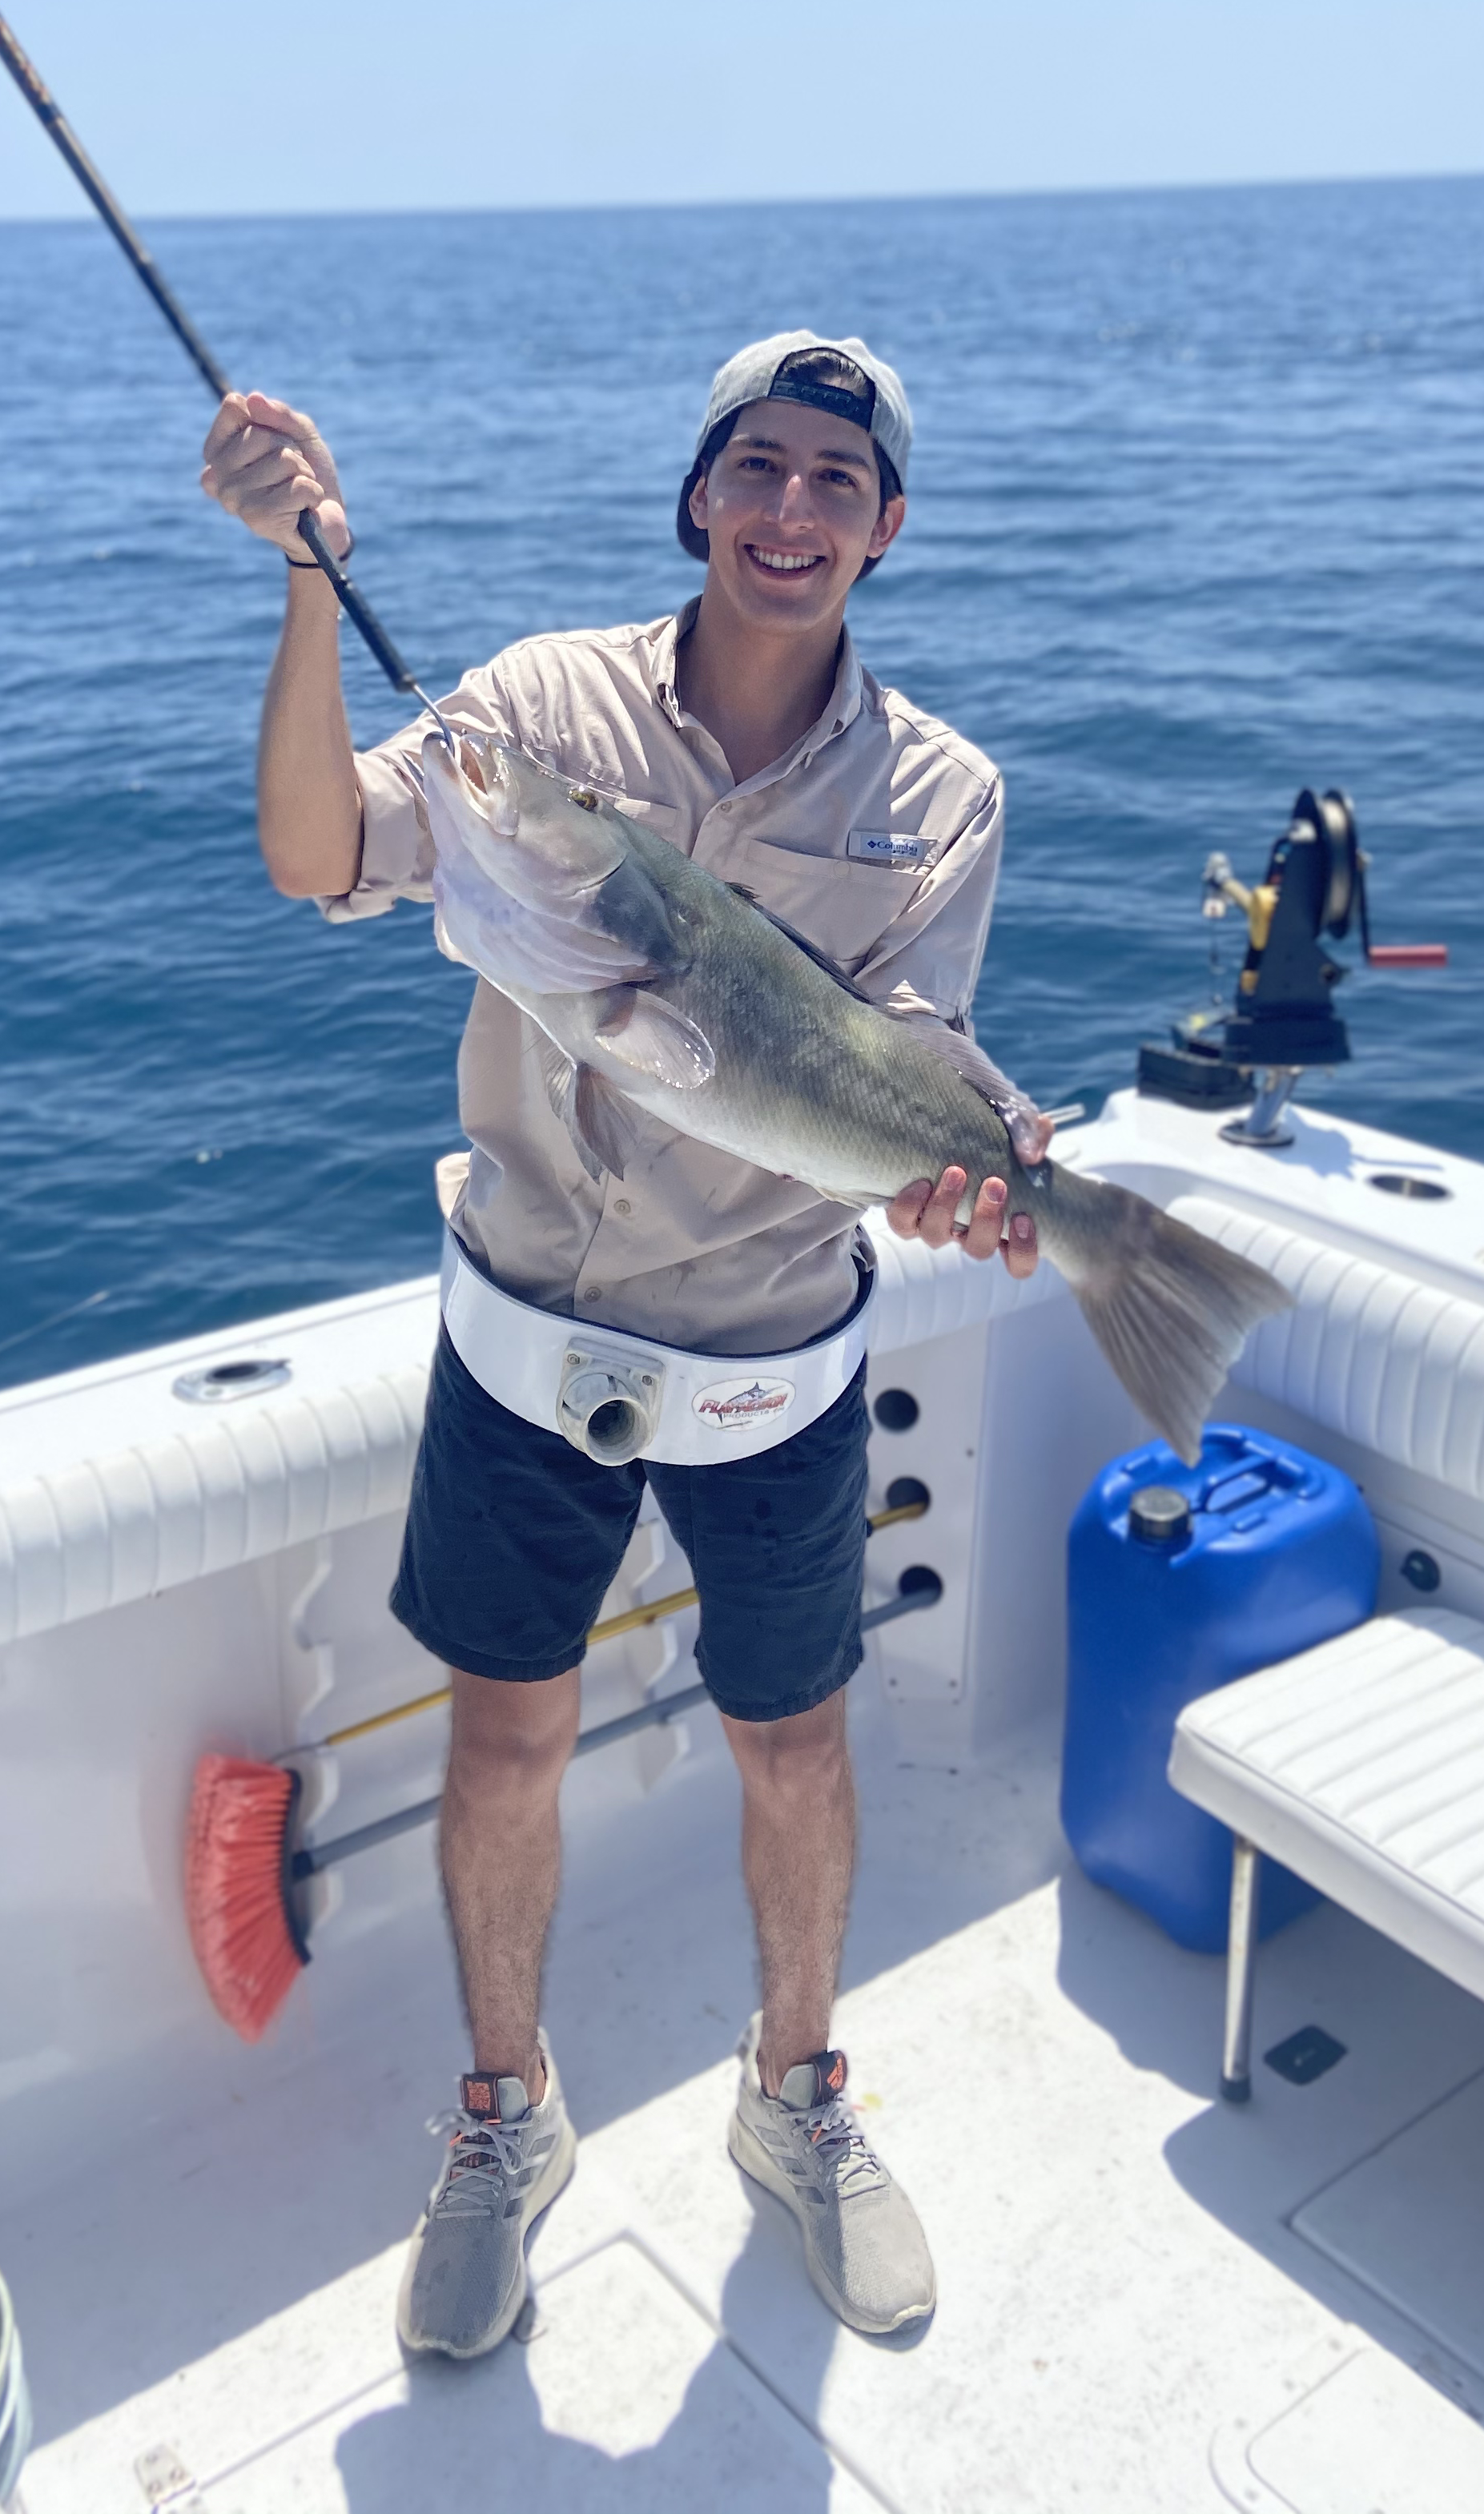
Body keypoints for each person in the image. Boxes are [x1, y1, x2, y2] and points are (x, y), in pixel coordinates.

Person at [201, 331, 1044, 2360]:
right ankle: (507, 2111)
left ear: (886, 529)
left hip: (773, 1346)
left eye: (838, 482)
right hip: (526, 1337)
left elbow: (910, 1064)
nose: (792, 509)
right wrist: (310, 576)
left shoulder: (944, 794)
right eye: (757, 466)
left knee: (795, 1739)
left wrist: (977, 1169)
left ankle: (795, 2092)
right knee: (505, 1737)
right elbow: (323, 853)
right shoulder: (534, 715)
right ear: (700, 495)